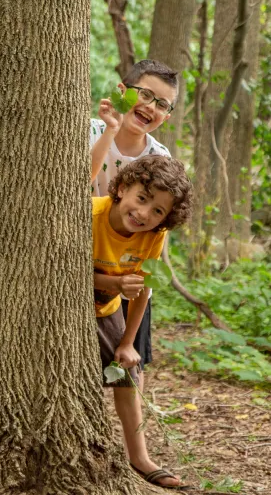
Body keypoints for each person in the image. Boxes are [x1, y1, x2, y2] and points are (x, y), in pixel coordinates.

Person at [92, 155, 193, 489]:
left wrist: (127, 343)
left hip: (106, 311)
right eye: (142, 199)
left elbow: (143, 291)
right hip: (65, 308)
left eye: (158, 211)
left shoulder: (153, 236)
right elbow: (63, 270)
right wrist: (115, 285)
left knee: (127, 375)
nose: (144, 214)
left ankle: (139, 456)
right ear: (122, 188)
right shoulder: (91, 214)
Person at [89, 59, 179, 406]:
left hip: (126, 264)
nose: (151, 107)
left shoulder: (160, 156)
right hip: (86, 250)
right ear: (122, 92)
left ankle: (136, 450)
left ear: (166, 117)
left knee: (128, 362)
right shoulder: (91, 130)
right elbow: (75, 184)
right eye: (146, 95)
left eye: (162, 104)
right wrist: (110, 130)